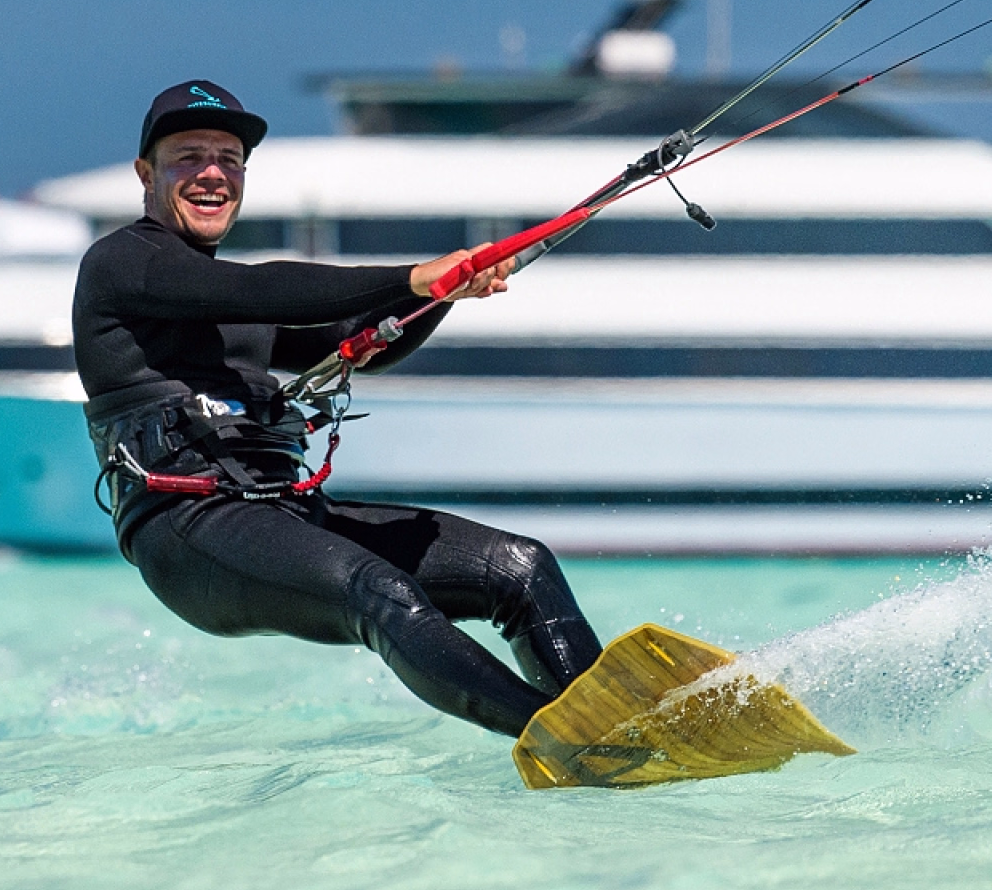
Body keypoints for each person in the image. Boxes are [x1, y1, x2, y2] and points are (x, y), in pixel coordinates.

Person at [72, 80, 602, 737]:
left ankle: (621, 721)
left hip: (284, 512)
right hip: (188, 527)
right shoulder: (122, 265)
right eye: (189, 157)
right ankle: (570, 739)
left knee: (522, 568)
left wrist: (442, 295)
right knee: (382, 594)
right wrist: (412, 274)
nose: (213, 174)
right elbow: (260, 287)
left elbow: (363, 345)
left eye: (229, 160)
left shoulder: (225, 306)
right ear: (144, 173)